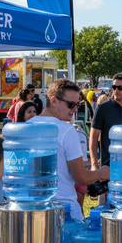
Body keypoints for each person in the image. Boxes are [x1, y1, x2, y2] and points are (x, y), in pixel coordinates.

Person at [33, 79, 109, 218]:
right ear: (54, 101)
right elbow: (81, 178)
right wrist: (102, 172)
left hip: (32, 208)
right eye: (71, 104)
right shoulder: (67, 130)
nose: (75, 109)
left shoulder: (27, 126)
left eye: (78, 104)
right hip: (63, 209)